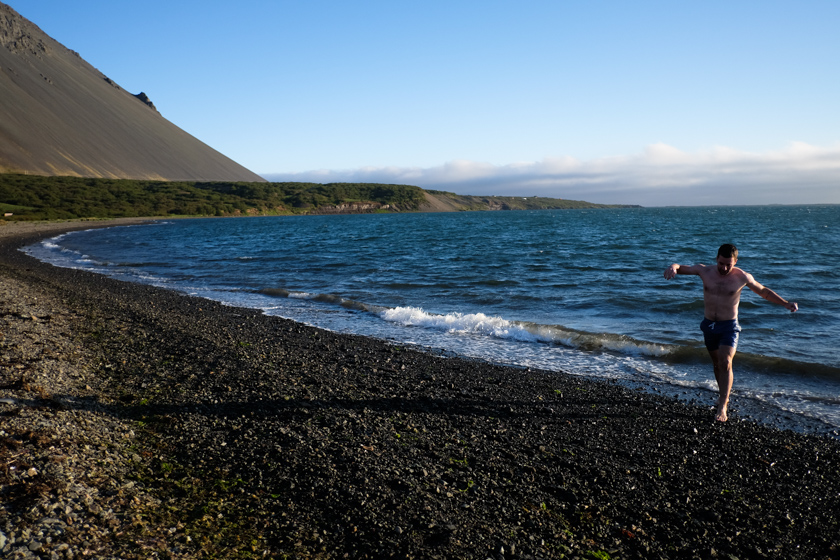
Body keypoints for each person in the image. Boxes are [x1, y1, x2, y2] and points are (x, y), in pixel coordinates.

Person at [664, 243, 798, 422]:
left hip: (729, 326)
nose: (725, 268)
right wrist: (673, 267)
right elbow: (682, 268)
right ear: (716, 259)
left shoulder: (742, 277)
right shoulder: (705, 271)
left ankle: (723, 406)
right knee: (717, 364)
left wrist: (785, 303)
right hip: (709, 325)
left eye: (729, 264)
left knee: (726, 361)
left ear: (735, 261)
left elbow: (764, 292)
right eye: (721, 263)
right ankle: (723, 396)